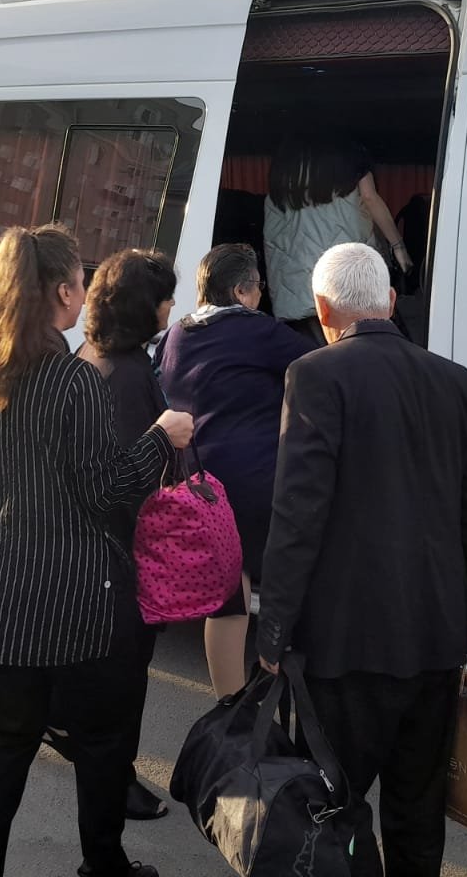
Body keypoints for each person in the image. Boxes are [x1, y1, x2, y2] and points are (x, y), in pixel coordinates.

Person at [0, 224, 193, 877]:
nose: (83, 292)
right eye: (78, 280)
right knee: (101, 743)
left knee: (1, 743)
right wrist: (162, 436)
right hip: (75, 602)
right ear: (63, 293)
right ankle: (104, 866)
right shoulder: (75, 382)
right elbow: (109, 491)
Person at [258, 242, 467, 877]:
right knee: (418, 810)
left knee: (333, 806)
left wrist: (272, 626)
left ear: (323, 308)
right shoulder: (454, 381)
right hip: (436, 637)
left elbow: (297, 515)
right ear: (390, 301)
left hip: (345, 647)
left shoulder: (315, 375)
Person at [154, 243, 315, 696]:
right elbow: (317, 367)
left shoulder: (177, 334)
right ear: (243, 289)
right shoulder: (257, 331)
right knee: (290, 576)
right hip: (254, 481)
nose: (260, 297)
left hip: (196, 479)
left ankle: (229, 705)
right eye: (258, 288)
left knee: (229, 597)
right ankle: (284, 692)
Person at [67, 248, 178, 822]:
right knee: (125, 677)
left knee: (101, 673)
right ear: (146, 308)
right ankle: (115, 779)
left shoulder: (91, 352)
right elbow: (134, 472)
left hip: (87, 544)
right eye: (166, 298)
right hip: (121, 552)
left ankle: (87, 746)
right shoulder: (130, 373)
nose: (173, 307)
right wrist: (172, 436)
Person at [263, 137, 412, 344]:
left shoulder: (283, 171)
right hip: (344, 290)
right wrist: (398, 246)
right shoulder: (352, 162)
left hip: (293, 296)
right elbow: (370, 197)